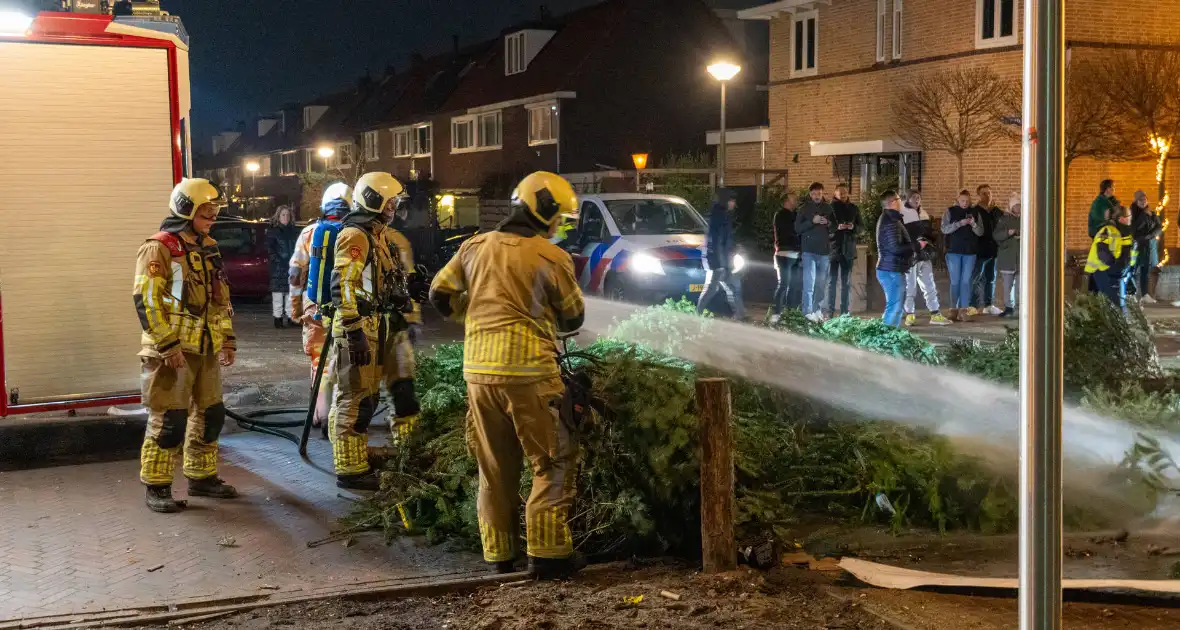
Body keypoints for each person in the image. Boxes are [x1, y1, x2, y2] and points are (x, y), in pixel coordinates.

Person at [428, 171, 586, 580]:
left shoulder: (474, 246)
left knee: (495, 468)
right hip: (531, 374)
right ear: (546, 210)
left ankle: (499, 557)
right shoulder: (550, 257)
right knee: (552, 463)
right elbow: (573, 317)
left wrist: (476, 316)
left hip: (479, 374)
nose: (560, 228)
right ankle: (549, 557)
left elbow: (438, 295)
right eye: (561, 219)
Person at [134, 179, 238, 513]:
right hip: (171, 353)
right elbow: (146, 300)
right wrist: (167, 345)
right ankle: (157, 485)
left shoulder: (208, 246)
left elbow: (221, 299)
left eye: (214, 210)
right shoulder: (159, 248)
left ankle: (201, 476)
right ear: (186, 209)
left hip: (205, 348)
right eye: (206, 210)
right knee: (170, 420)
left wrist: (227, 339)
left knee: (212, 415)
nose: (212, 216)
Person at [328, 172, 423, 491]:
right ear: (374, 201)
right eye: (391, 202)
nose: (395, 208)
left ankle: (401, 454)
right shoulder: (355, 236)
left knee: (395, 393)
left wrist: (408, 291)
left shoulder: (378, 235)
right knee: (357, 398)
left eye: (396, 202)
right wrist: (354, 331)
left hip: (379, 325)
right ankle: (350, 469)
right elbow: (344, 285)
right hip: (360, 329)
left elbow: (377, 283)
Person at [289, 182, 351, 433]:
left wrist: (295, 308)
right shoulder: (355, 233)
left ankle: (319, 414)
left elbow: (295, 274)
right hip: (347, 307)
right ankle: (336, 418)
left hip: (314, 307)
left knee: (319, 360)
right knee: (343, 359)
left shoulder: (309, 233)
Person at [899, 191, 951, 326]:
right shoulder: (902, 213)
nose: (916, 200)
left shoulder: (924, 213)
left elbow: (929, 233)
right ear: (908, 199)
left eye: (918, 198)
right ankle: (909, 314)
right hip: (911, 255)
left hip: (924, 254)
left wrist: (930, 238)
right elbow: (901, 235)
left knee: (929, 284)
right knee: (910, 286)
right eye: (913, 198)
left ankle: (935, 313)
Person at [697, 188, 746, 319]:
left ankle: (741, 315)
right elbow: (718, 241)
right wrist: (722, 264)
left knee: (727, 287)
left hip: (718, 259)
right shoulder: (720, 216)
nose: (734, 204)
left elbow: (722, 240)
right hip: (718, 260)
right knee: (716, 288)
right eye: (732, 201)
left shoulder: (719, 215)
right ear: (726, 201)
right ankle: (740, 316)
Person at [795, 182, 835, 322]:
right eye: (813, 194)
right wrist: (812, 221)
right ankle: (807, 311)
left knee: (821, 284)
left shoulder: (828, 208)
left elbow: (835, 227)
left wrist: (828, 223)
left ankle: (817, 309)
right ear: (810, 194)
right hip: (809, 252)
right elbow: (797, 228)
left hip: (824, 252)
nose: (816, 196)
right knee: (809, 282)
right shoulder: (804, 209)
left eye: (819, 193)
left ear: (822, 193)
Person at [941, 189, 983, 321]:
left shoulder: (975, 212)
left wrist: (973, 224)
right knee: (955, 281)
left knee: (966, 281)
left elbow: (980, 232)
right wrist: (959, 224)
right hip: (954, 251)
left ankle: (964, 309)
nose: (965, 203)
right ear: (958, 200)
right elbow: (944, 228)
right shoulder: (950, 211)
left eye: (967, 201)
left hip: (970, 252)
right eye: (962, 200)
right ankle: (953, 309)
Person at [1086, 204, 1137, 309]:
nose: (1131, 219)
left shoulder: (1126, 233)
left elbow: (1129, 256)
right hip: (1103, 271)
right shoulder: (1108, 230)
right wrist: (1115, 267)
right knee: (1116, 306)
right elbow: (1102, 252)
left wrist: (1129, 274)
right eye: (1129, 217)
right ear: (1122, 219)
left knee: (1115, 305)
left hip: (1119, 274)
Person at [875, 190, 913, 327]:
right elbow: (895, 248)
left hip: (891, 268)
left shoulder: (891, 219)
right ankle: (886, 339)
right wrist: (916, 246)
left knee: (894, 307)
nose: (901, 202)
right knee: (895, 307)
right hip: (891, 269)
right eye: (898, 199)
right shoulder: (890, 221)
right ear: (892, 202)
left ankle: (887, 336)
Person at [827, 184, 861, 317]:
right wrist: (837, 227)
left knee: (846, 282)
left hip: (848, 249)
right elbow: (826, 227)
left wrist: (853, 226)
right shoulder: (829, 208)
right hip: (834, 248)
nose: (843, 195)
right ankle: (830, 312)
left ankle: (844, 313)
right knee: (832, 281)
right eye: (840, 193)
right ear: (835, 193)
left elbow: (861, 226)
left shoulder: (853, 208)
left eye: (845, 192)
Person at [969, 185, 1003, 316]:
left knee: (991, 278)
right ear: (979, 195)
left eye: (989, 193)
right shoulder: (975, 211)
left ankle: (989, 305)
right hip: (979, 250)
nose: (987, 196)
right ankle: (973, 306)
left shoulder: (996, 211)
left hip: (993, 250)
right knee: (976, 278)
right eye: (984, 194)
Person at [770, 192, 801, 323]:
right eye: (793, 199)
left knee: (792, 285)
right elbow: (789, 231)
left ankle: (789, 312)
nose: (796, 201)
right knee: (783, 284)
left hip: (795, 254)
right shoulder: (781, 215)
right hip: (784, 253)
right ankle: (776, 313)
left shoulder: (795, 214)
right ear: (786, 201)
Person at [267, 205, 299, 328]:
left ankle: (291, 317)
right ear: (278, 216)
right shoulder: (273, 232)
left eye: (287, 215)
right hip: (278, 268)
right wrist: (278, 261)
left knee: (290, 294)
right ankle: (278, 318)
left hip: (292, 266)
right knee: (278, 295)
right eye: (283, 215)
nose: (285, 217)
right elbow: (270, 250)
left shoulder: (294, 231)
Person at [1129, 190, 1162, 304]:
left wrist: (1149, 235)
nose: (1143, 202)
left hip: (1148, 246)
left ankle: (1145, 294)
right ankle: (1131, 293)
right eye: (1140, 200)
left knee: (1145, 271)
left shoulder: (1152, 214)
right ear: (1136, 201)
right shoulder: (1132, 213)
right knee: (1131, 271)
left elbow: (1158, 227)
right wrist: (1143, 215)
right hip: (1136, 247)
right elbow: (1134, 229)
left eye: (1144, 199)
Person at [992, 192, 1021, 318]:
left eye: (1019, 205)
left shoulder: (1026, 218)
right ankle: (1008, 306)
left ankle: (1020, 307)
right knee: (1007, 285)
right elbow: (996, 235)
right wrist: (1008, 233)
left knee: (1021, 285)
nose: (1018, 208)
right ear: (1011, 207)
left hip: (1021, 258)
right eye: (1016, 206)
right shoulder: (1004, 219)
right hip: (1007, 256)